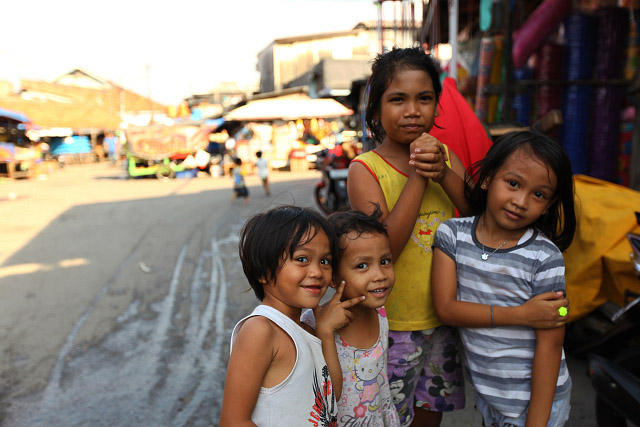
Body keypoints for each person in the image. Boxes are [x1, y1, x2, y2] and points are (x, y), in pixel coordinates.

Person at [347, 47, 571, 427]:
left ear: (438, 105)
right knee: (390, 417)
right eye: (397, 99)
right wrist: (420, 174)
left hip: (446, 321)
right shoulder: (365, 169)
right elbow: (385, 247)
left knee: (429, 414)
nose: (413, 110)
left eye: (425, 98)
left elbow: (481, 218)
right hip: (394, 324)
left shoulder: (445, 155)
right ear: (376, 108)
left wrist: (444, 171)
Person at [431, 130, 577, 427]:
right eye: (513, 184)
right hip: (490, 395)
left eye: (539, 194)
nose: (521, 201)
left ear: (549, 205)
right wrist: (522, 315)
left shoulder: (544, 256)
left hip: (539, 404)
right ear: (487, 179)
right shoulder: (452, 236)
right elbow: (446, 308)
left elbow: (551, 342)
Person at [219, 206, 366, 427]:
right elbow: (233, 421)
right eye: (302, 259)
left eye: (325, 261)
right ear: (263, 271)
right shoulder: (261, 330)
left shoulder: (306, 329)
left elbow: (330, 397)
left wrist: (325, 333)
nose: (317, 272)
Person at [302, 207, 401, 426]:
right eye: (362, 266)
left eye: (385, 261)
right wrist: (325, 333)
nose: (380, 275)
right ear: (334, 277)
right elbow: (323, 398)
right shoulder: (311, 325)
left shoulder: (381, 313)